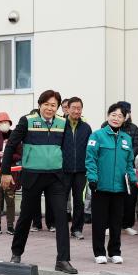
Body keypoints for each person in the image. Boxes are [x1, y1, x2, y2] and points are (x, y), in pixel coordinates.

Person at [1, 90, 78, 274]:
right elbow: (11, 145)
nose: (50, 108)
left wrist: (67, 174)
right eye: (46, 104)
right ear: (40, 105)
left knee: (61, 217)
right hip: (32, 175)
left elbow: (67, 150)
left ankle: (63, 260)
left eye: (53, 105)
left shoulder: (63, 123)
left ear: (58, 107)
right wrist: (5, 172)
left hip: (55, 177)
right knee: (26, 216)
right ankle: (16, 253)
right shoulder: (27, 121)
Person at [86, 103, 136, 264]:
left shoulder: (126, 138)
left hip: (120, 187)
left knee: (116, 222)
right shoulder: (97, 136)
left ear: (124, 119)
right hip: (100, 186)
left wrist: (132, 179)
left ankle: (115, 251)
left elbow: (129, 163)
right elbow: (90, 159)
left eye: (120, 116)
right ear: (108, 116)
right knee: (99, 222)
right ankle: (99, 252)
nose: (116, 118)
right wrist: (92, 178)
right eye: (113, 115)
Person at [61, 97, 92, 240]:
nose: (76, 111)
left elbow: (90, 150)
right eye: (73, 108)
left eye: (79, 108)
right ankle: (61, 228)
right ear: (67, 109)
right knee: (61, 200)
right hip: (63, 170)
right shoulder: (60, 126)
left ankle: (77, 229)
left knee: (79, 201)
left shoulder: (86, 128)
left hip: (81, 170)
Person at [119, 101, 138, 235]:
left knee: (130, 196)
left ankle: (127, 224)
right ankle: (109, 225)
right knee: (112, 196)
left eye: (126, 112)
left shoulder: (133, 128)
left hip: (128, 166)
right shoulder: (106, 126)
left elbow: (136, 147)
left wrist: (125, 158)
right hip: (111, 166)